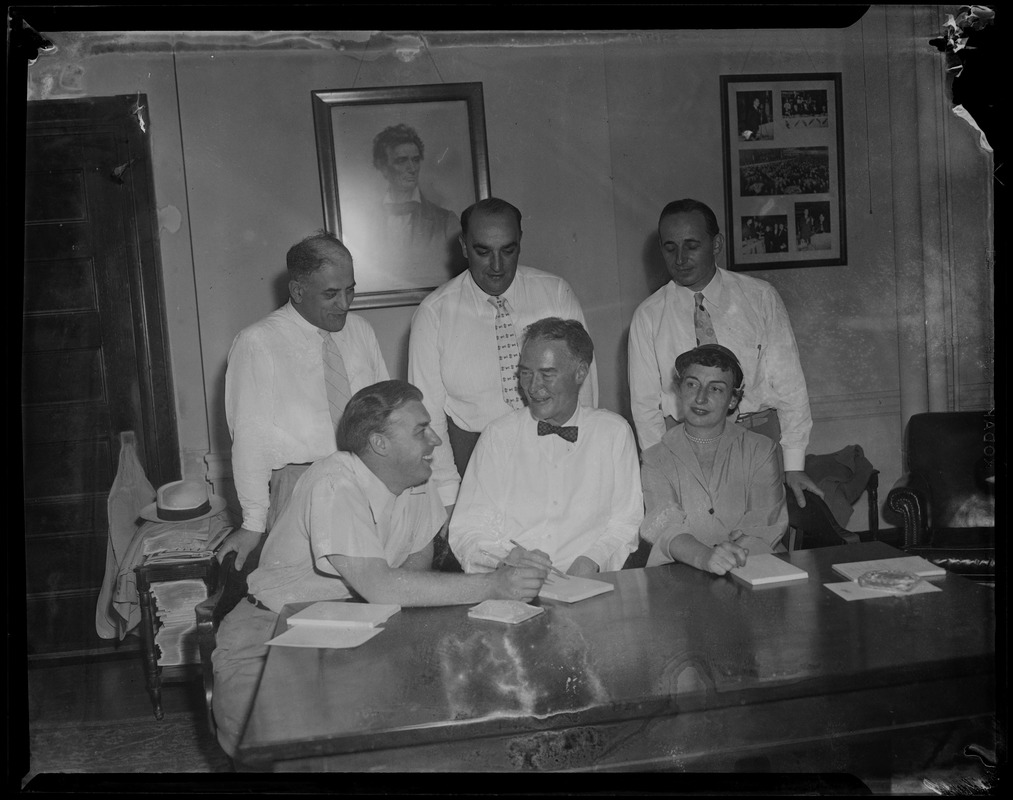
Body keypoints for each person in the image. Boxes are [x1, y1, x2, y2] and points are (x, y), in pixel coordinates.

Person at [211, 380, 551, 759]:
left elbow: (417, 558)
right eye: (421, 430)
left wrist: (499, 572)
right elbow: (382, 586)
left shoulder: (417, 480)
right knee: (274, 750)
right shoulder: (335, 481)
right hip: (269, 632)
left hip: (360, 625)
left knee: (426, 730)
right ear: (379, 443)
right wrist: (493, 585)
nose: (436, 440)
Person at [408, 198, 599, 565]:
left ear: (520, 242)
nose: (496, 266)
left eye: (508, 251)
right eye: (482, 252)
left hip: (555, 451)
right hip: (473, 461)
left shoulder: (555, 293)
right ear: (463, 246)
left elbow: (584, 390)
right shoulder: (434, 313)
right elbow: (427, 417)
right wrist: (451, 500)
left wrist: (581, 470)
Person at [628, 198, 823, 508]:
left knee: (762, 541)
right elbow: (645, 408)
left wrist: (794, 465)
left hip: (756, 436)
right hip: (687, 446)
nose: (680, 258)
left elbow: (791, 387)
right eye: (670, 248)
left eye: (692, 245)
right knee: (699, 543)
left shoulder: (759, 297)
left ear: (716, 243)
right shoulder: (649, 316)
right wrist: (661, 471)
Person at [217, 231, 389, 569]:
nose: (345, 303)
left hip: (367, 481)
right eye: (331, 294)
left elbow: (384, 411)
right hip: (301, 489)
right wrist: (253, 524)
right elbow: (250, 439)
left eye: (350, 290)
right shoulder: (257, 343)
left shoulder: (361, 331)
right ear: (298, 291)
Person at [450, 318, 641, 577]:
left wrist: (591, 561)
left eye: (547, 374)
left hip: (589, 584)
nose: (532, 387)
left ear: (580, 373)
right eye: (526, 373)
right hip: (509, 585)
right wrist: (504, 560)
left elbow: (625, 523)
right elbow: (468, 529)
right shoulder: (498, 436)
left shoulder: (614, 434)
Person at [642, 345, 788, 573]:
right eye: (692, 384)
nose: (700, 398)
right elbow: (665, 526)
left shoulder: (760, 449)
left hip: (753, 567)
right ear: (679, 390)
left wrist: (725, 559)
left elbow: (764, 523)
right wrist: (705, 557)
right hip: (683, 573)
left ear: (732, 400)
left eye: (716, 389)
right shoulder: (655, 458)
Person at [371, 123, 466, 286]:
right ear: (383, 167)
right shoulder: (367, 220)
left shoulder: (446, 221)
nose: (412, 168)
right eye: (401, 161)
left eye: (415, 160)